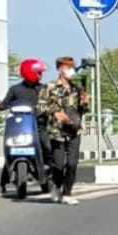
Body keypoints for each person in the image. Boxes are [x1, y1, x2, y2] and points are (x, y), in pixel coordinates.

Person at [0, 58, 48, 195]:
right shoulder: (15, 90)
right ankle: (3, 183)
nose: (41, 75)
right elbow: (5, 103)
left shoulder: (43, 89)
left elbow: (51, 103)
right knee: (11, 151)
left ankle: (49, 175)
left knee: (47, 146)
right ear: (30, 73)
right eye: (38, 72)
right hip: (20, 127)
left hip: (38, 126)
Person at [38, 55, 90, 205]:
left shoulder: (77, 88)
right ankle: (56, 185)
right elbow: (41, 106)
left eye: (72, 68)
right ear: (61, 69)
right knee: (58, 165)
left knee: (72, 164)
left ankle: (67, 193)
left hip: (74, 129)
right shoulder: (50, 87)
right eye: (68, 67)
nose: (70, 71)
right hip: (57, 130)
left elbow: (83, 110)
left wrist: (85, 102)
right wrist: (55, 113)